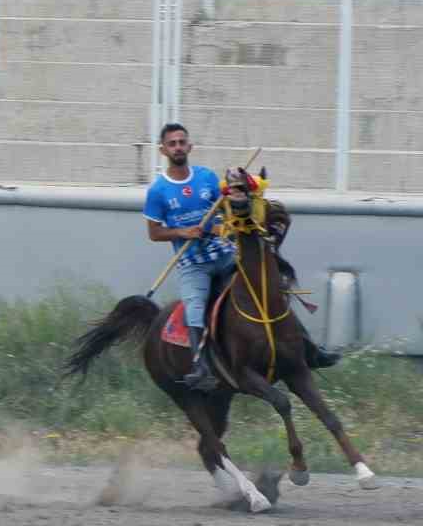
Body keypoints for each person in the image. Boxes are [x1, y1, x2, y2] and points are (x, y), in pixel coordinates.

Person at [143, 123, 337, 390]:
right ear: (163, 150)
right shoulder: (157, 191)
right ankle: (201, 368)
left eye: (181, 142)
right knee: (194, 310)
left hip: (225, 256)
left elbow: (224, 212)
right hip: (193, 265)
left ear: (190, 146)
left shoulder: (207, 178)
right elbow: (154, 233)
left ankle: (310, 349)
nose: (178, 147)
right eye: (172, 143)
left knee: (270, 287)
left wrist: (221, 221)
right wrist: (183, 231)